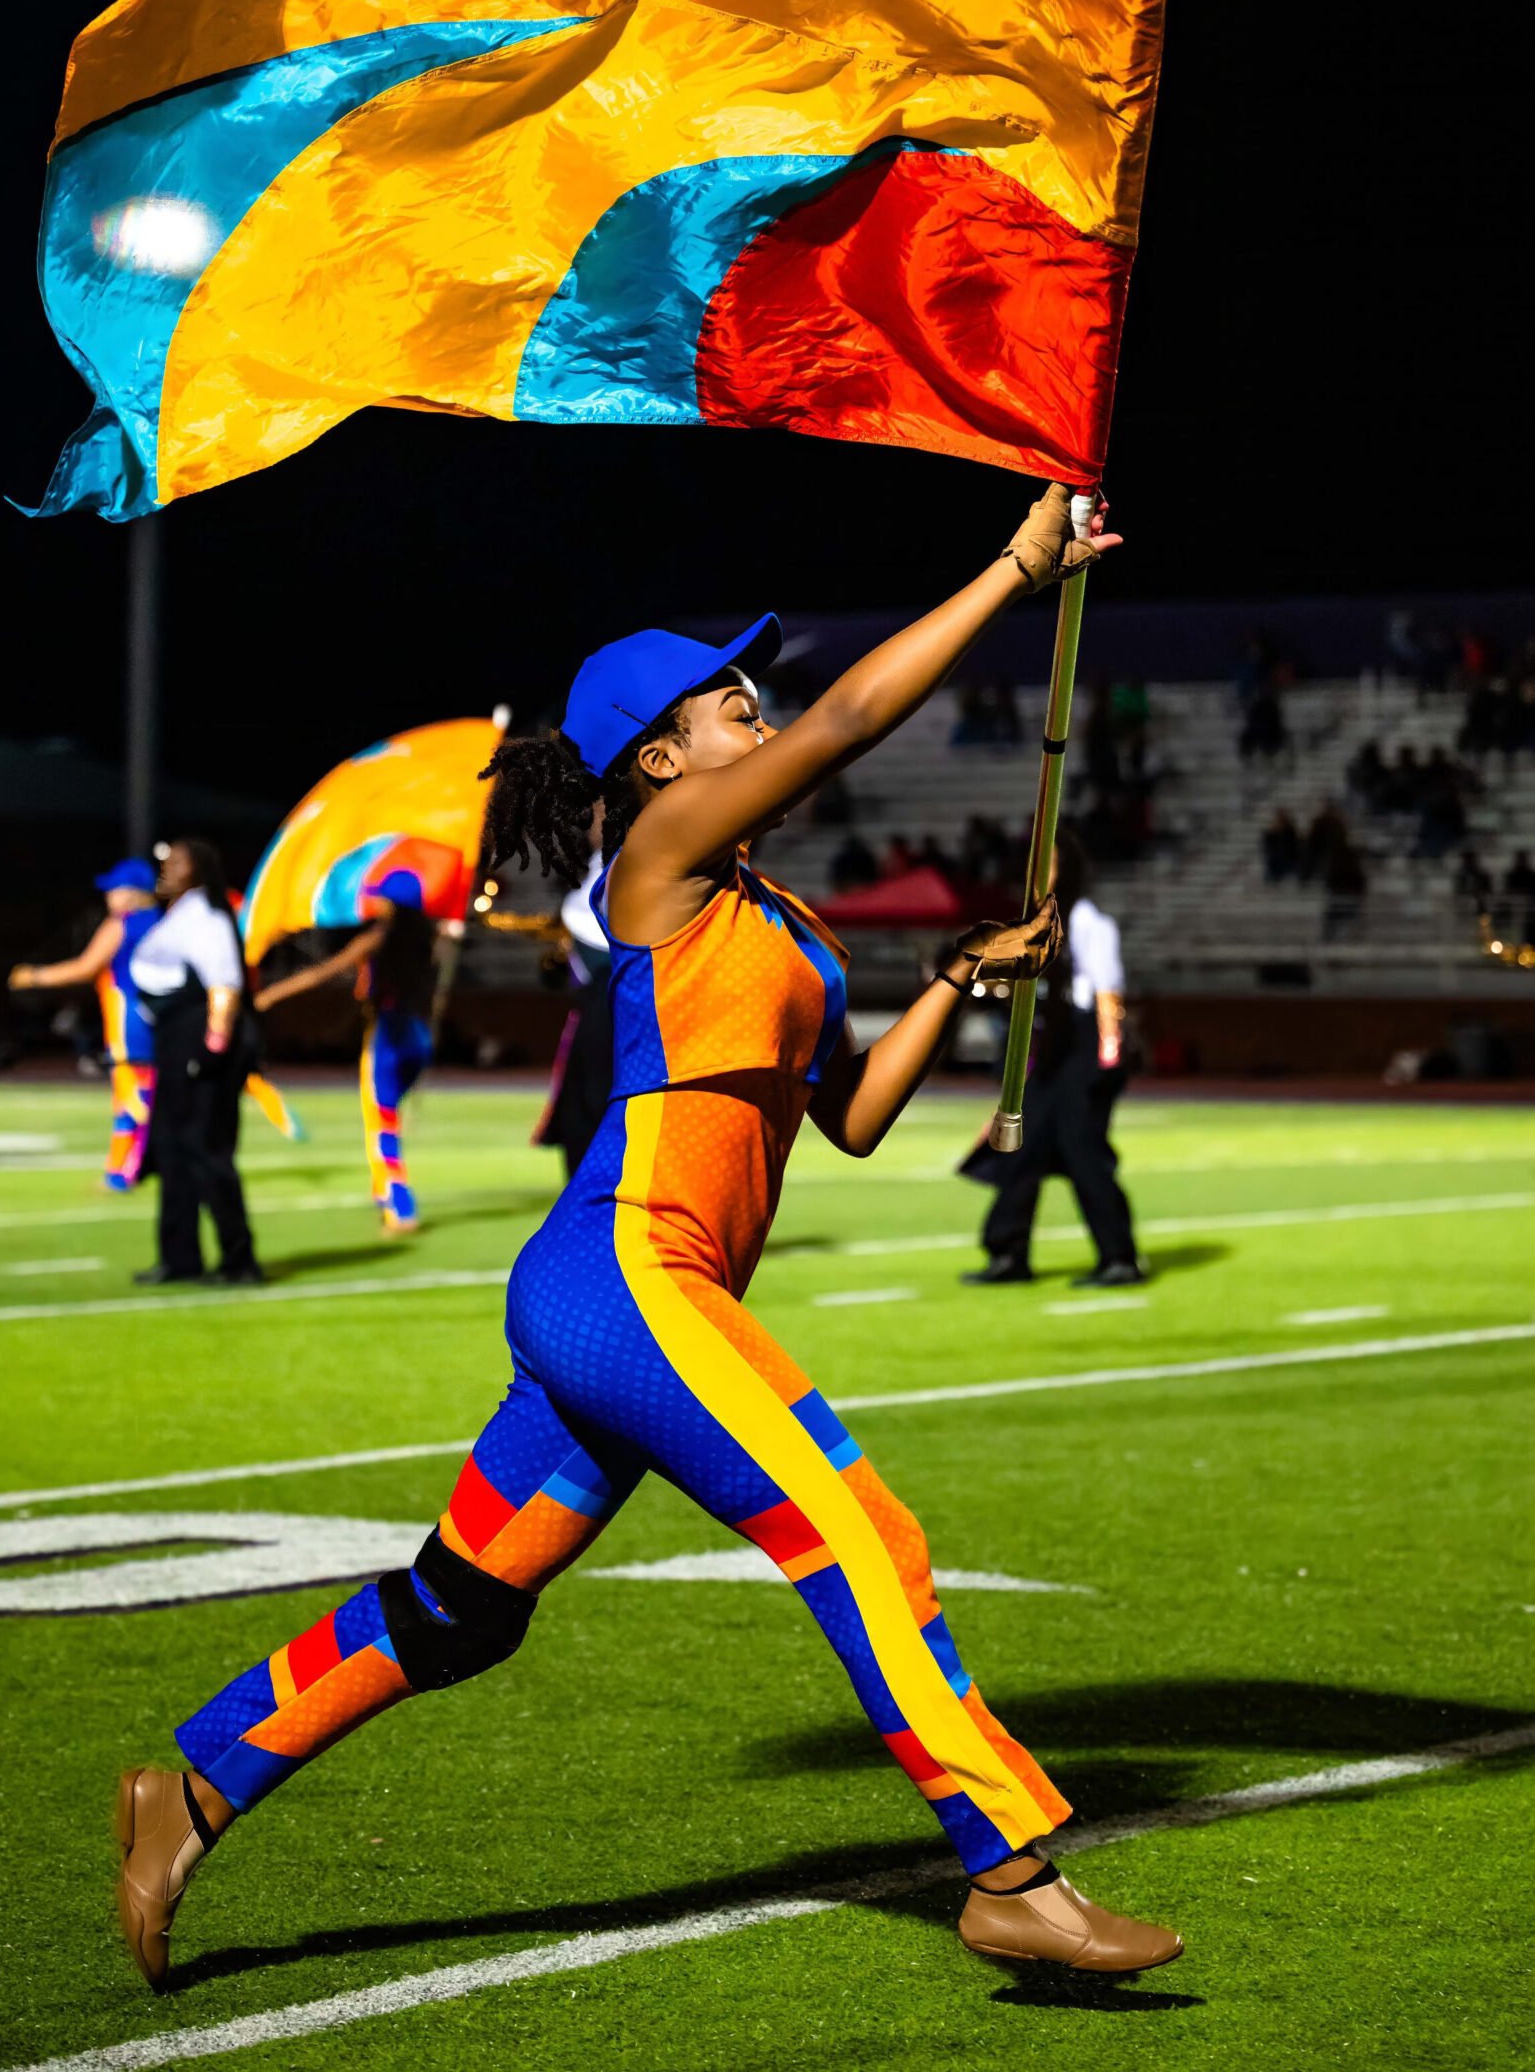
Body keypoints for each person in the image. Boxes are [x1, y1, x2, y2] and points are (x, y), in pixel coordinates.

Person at [114, 483, 1182, 1990]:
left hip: (614, 1303)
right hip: (627, 1271)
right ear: (658, 754)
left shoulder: (774, 919)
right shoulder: (659, 856)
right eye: (729, 701)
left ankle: (201, 1780)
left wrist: (954, 977)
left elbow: (856, 1117)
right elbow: (846, 727)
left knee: (461, 1607)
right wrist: (1012, 569)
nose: (760, 711)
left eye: (753, 697)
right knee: (858, 1532)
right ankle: (1009, 1866)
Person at [959, 829, 1143, 1290]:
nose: (1038, 871)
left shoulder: (1087, 921)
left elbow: (1107, 990)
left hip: (1082, 1048)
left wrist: (1107, 1057)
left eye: (1050, 861)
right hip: (1050, 1045)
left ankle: (1119, 1258)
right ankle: (1008, 1254)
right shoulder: (1033, 924)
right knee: (1022, 1147)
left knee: (1083, 1152)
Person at [253, 869, 442, 1233]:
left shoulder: (378, 938)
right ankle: (382, 1193)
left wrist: (269, 996)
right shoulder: (429, 942)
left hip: (388, 1034)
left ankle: (399, 1208)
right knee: (389, 1116)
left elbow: (321, 973)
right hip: (419, 1037)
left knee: (381, 1122)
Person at [129, 839, 261, 1285]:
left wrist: (213, 1046)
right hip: (174, 1041)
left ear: (200, 870)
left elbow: (224, 983)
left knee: (207, 1152)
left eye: (178, 862)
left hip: (199, 1043)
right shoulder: (181, 913)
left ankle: (239, 1261)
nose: (166, 868)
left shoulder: (207, 916)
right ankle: (179, 1256)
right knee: (170, 1150)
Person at [9, 860, 161, 1189]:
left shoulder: (122, 924)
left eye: (114, 890)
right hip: (161, 1016)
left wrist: (34, 976)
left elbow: (86, 966)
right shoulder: (164, 922)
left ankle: (121, 1172)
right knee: (150, 1090)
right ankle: (146, 1164)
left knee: (130, 1094)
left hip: (127, 1016)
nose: (108, 897)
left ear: (133, 894)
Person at [532, 830, 614, 1178]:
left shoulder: (626, 856)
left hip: (614, 999)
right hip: (596, 999)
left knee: (595, 1103)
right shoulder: (599, 863)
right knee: (582, 1105)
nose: (590, 822)